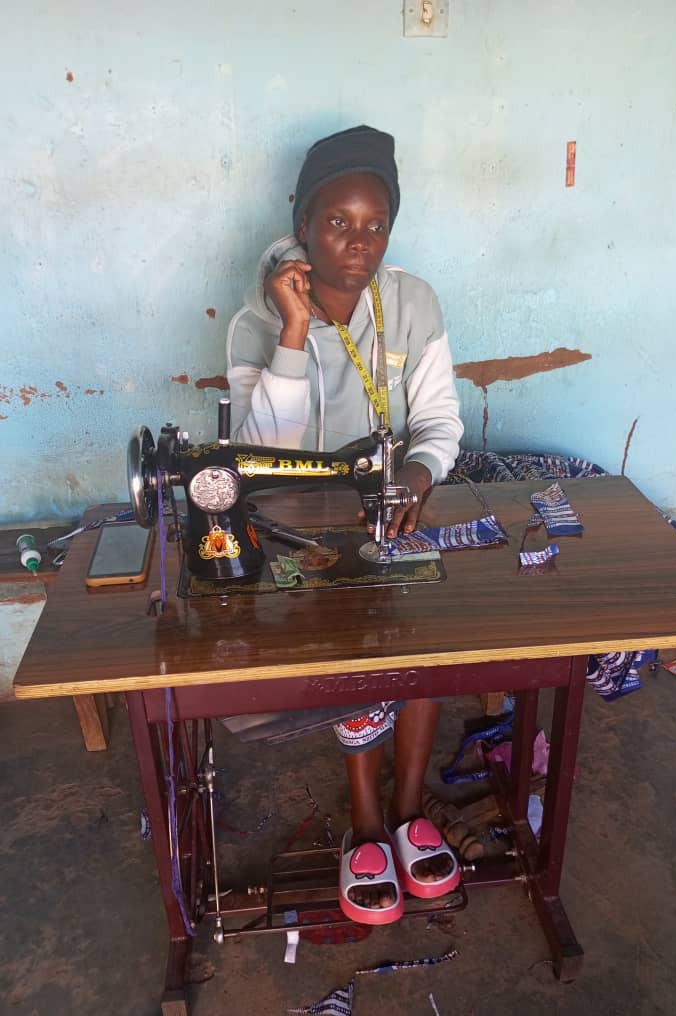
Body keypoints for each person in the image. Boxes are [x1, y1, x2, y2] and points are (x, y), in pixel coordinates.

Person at [226, 125, 464, 925]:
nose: (357, 243)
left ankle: (407, 811)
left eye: (375, 225)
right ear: (301, 222)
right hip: (297, 524)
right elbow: (260, 457)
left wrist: (423, 480)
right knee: (347, 644)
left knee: (426, 629)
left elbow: (437, 422)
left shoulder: (414, 303)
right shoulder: (255, 322)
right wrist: (294, 332)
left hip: (393, 509)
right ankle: (366, 818)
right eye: (337, 222)